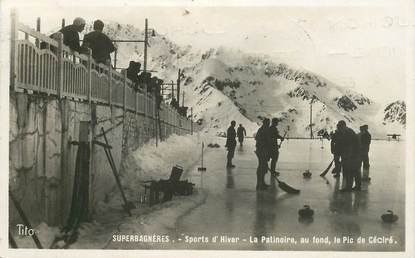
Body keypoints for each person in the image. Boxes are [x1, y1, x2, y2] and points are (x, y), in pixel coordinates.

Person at [336, 120, 361, 192]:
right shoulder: (344, 132)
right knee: (353, 171)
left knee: (351, 171)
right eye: (338, 127)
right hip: (352, 155)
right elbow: (342, 145)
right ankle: (356, 186)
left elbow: (350, 146)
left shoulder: (348, 133)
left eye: (340, 127)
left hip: (354, 155)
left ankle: (350, 187)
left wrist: (346, 157)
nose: (339, 129)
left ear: (343, 126)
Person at [255, 118, 271, 190]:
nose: (269, 124)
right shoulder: (264, 130)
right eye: (268, 123)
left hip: (262, 151)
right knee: (262, 167)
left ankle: (262, 183)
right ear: (265, 123)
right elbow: (266, 141)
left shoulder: (262, 129)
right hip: (262, 151)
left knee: (263, 168)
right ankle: (259, 184)